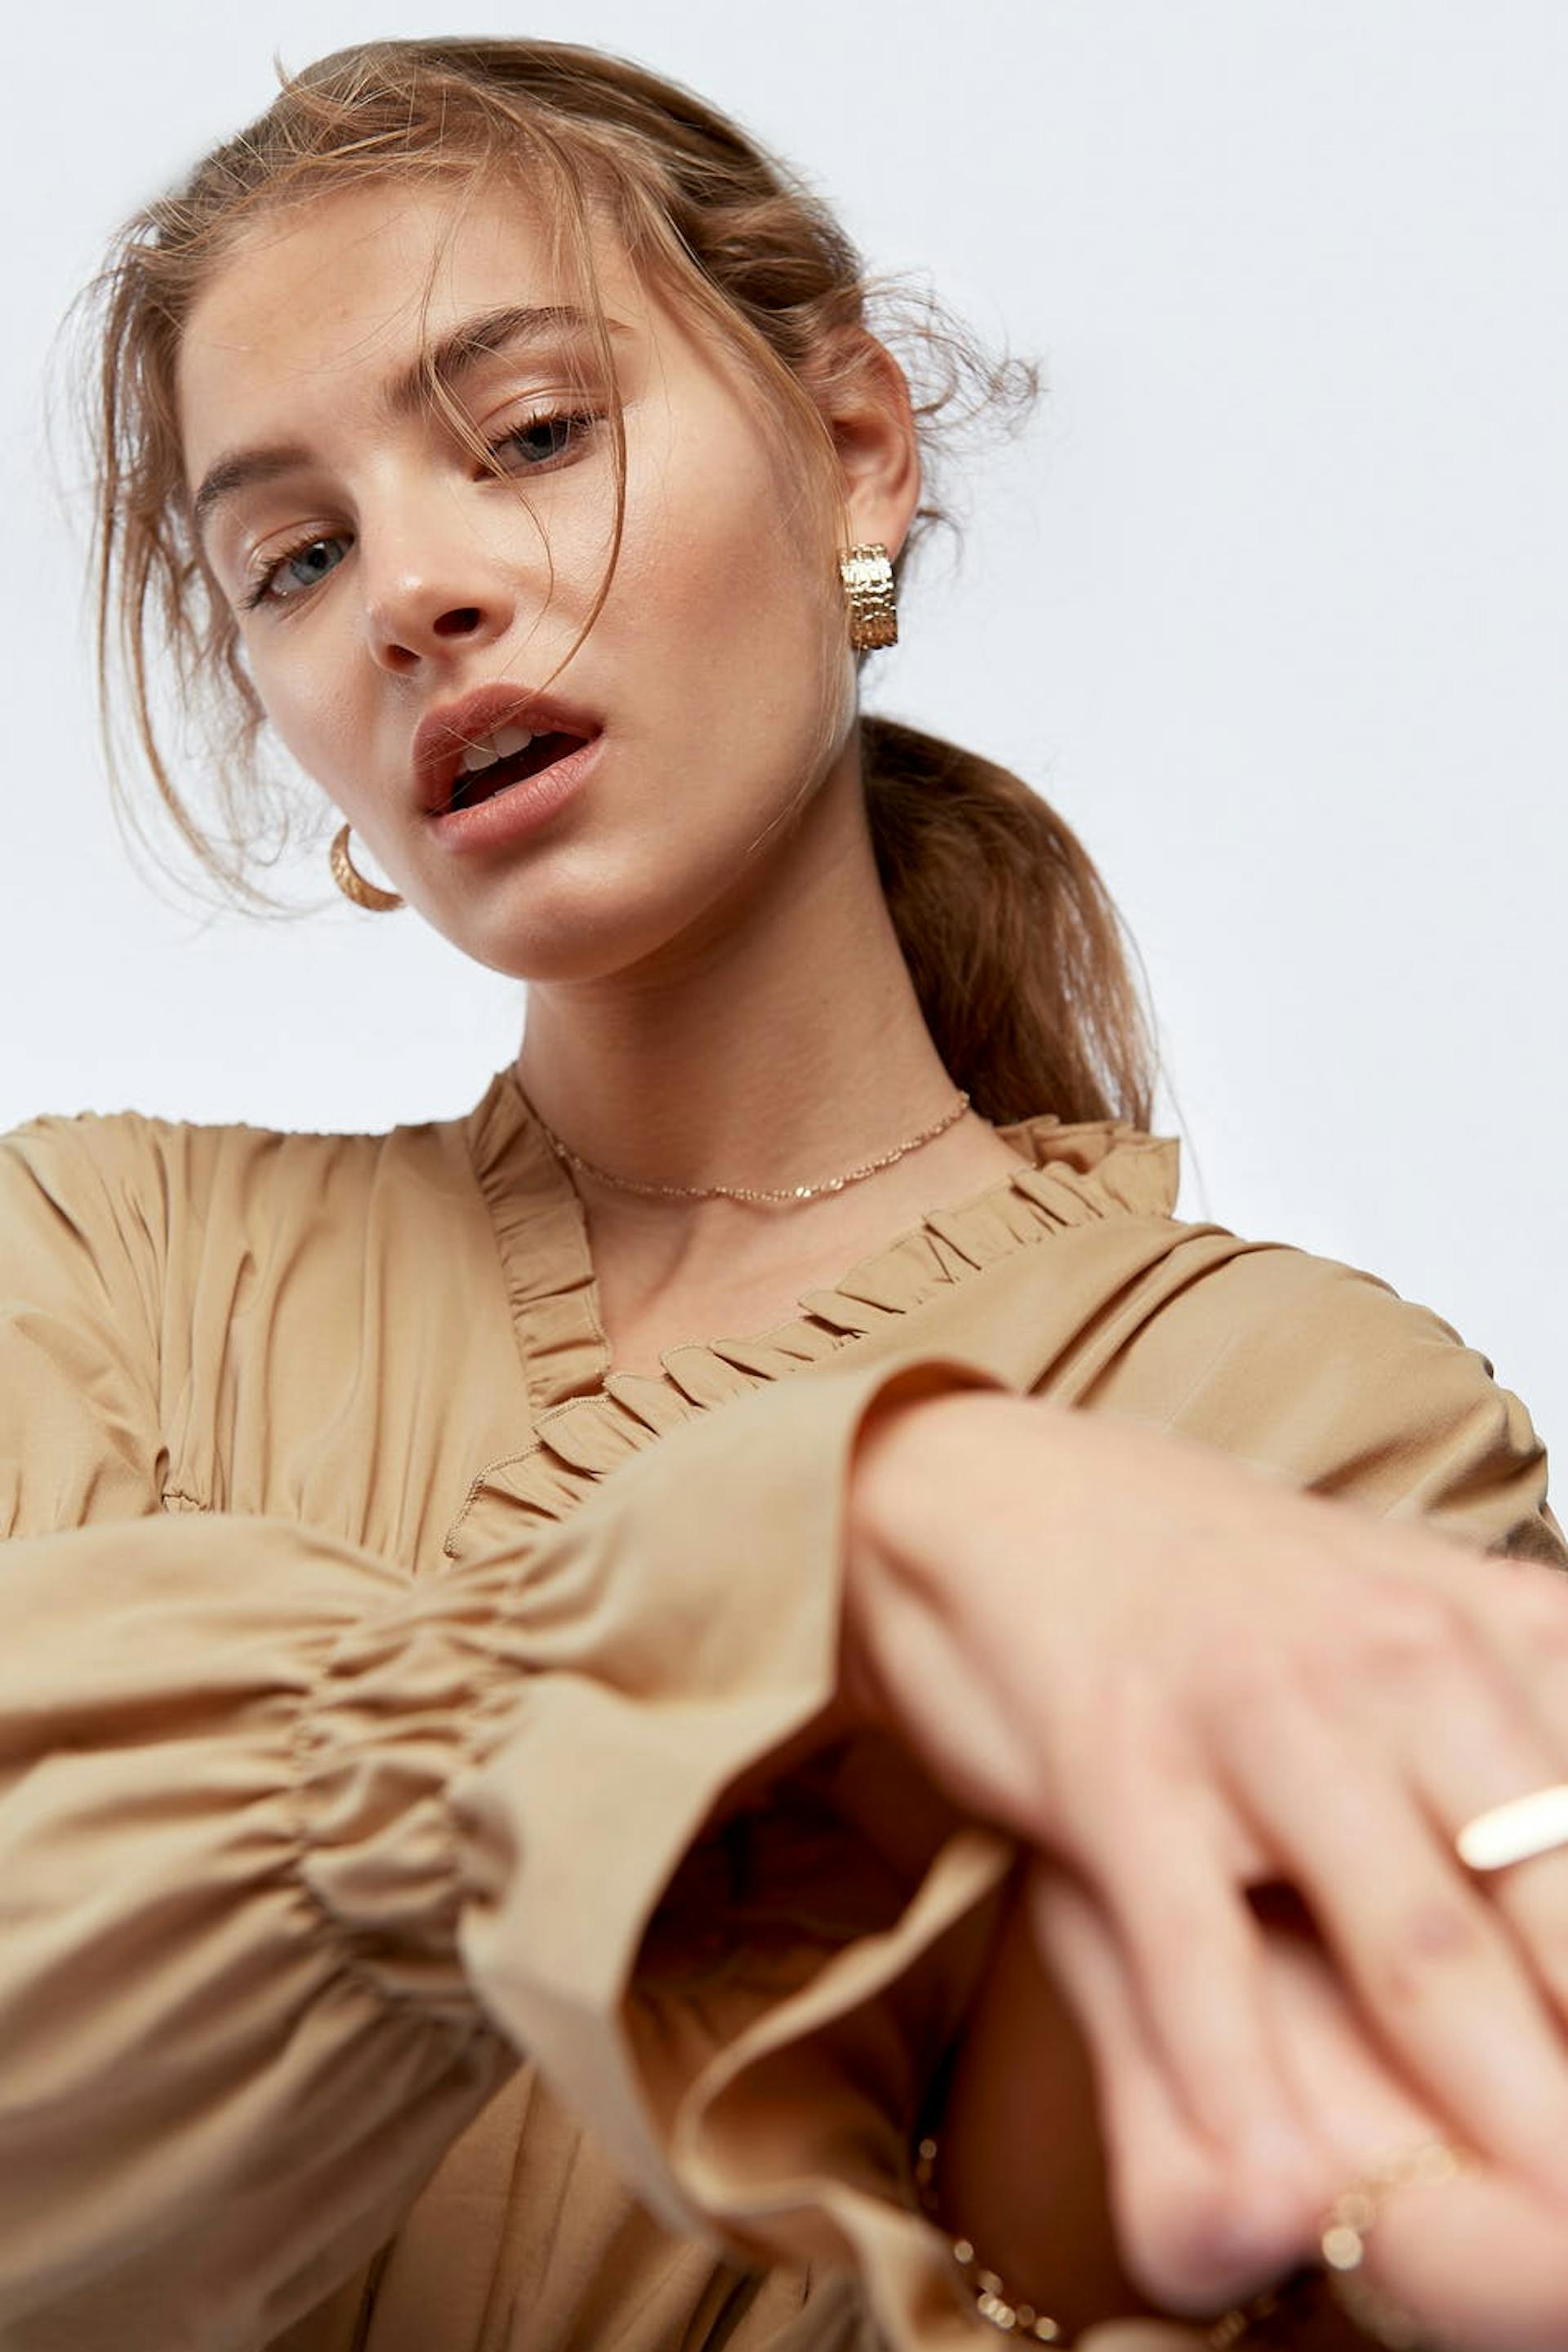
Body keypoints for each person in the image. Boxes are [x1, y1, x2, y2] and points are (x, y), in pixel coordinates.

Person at [1, 33, 1563, 2352]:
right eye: (293, 560)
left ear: (852, 449)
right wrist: (837, 1548)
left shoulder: (1294, 1420)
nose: (409, 593)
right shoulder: (95, 1272)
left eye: (534, 434)